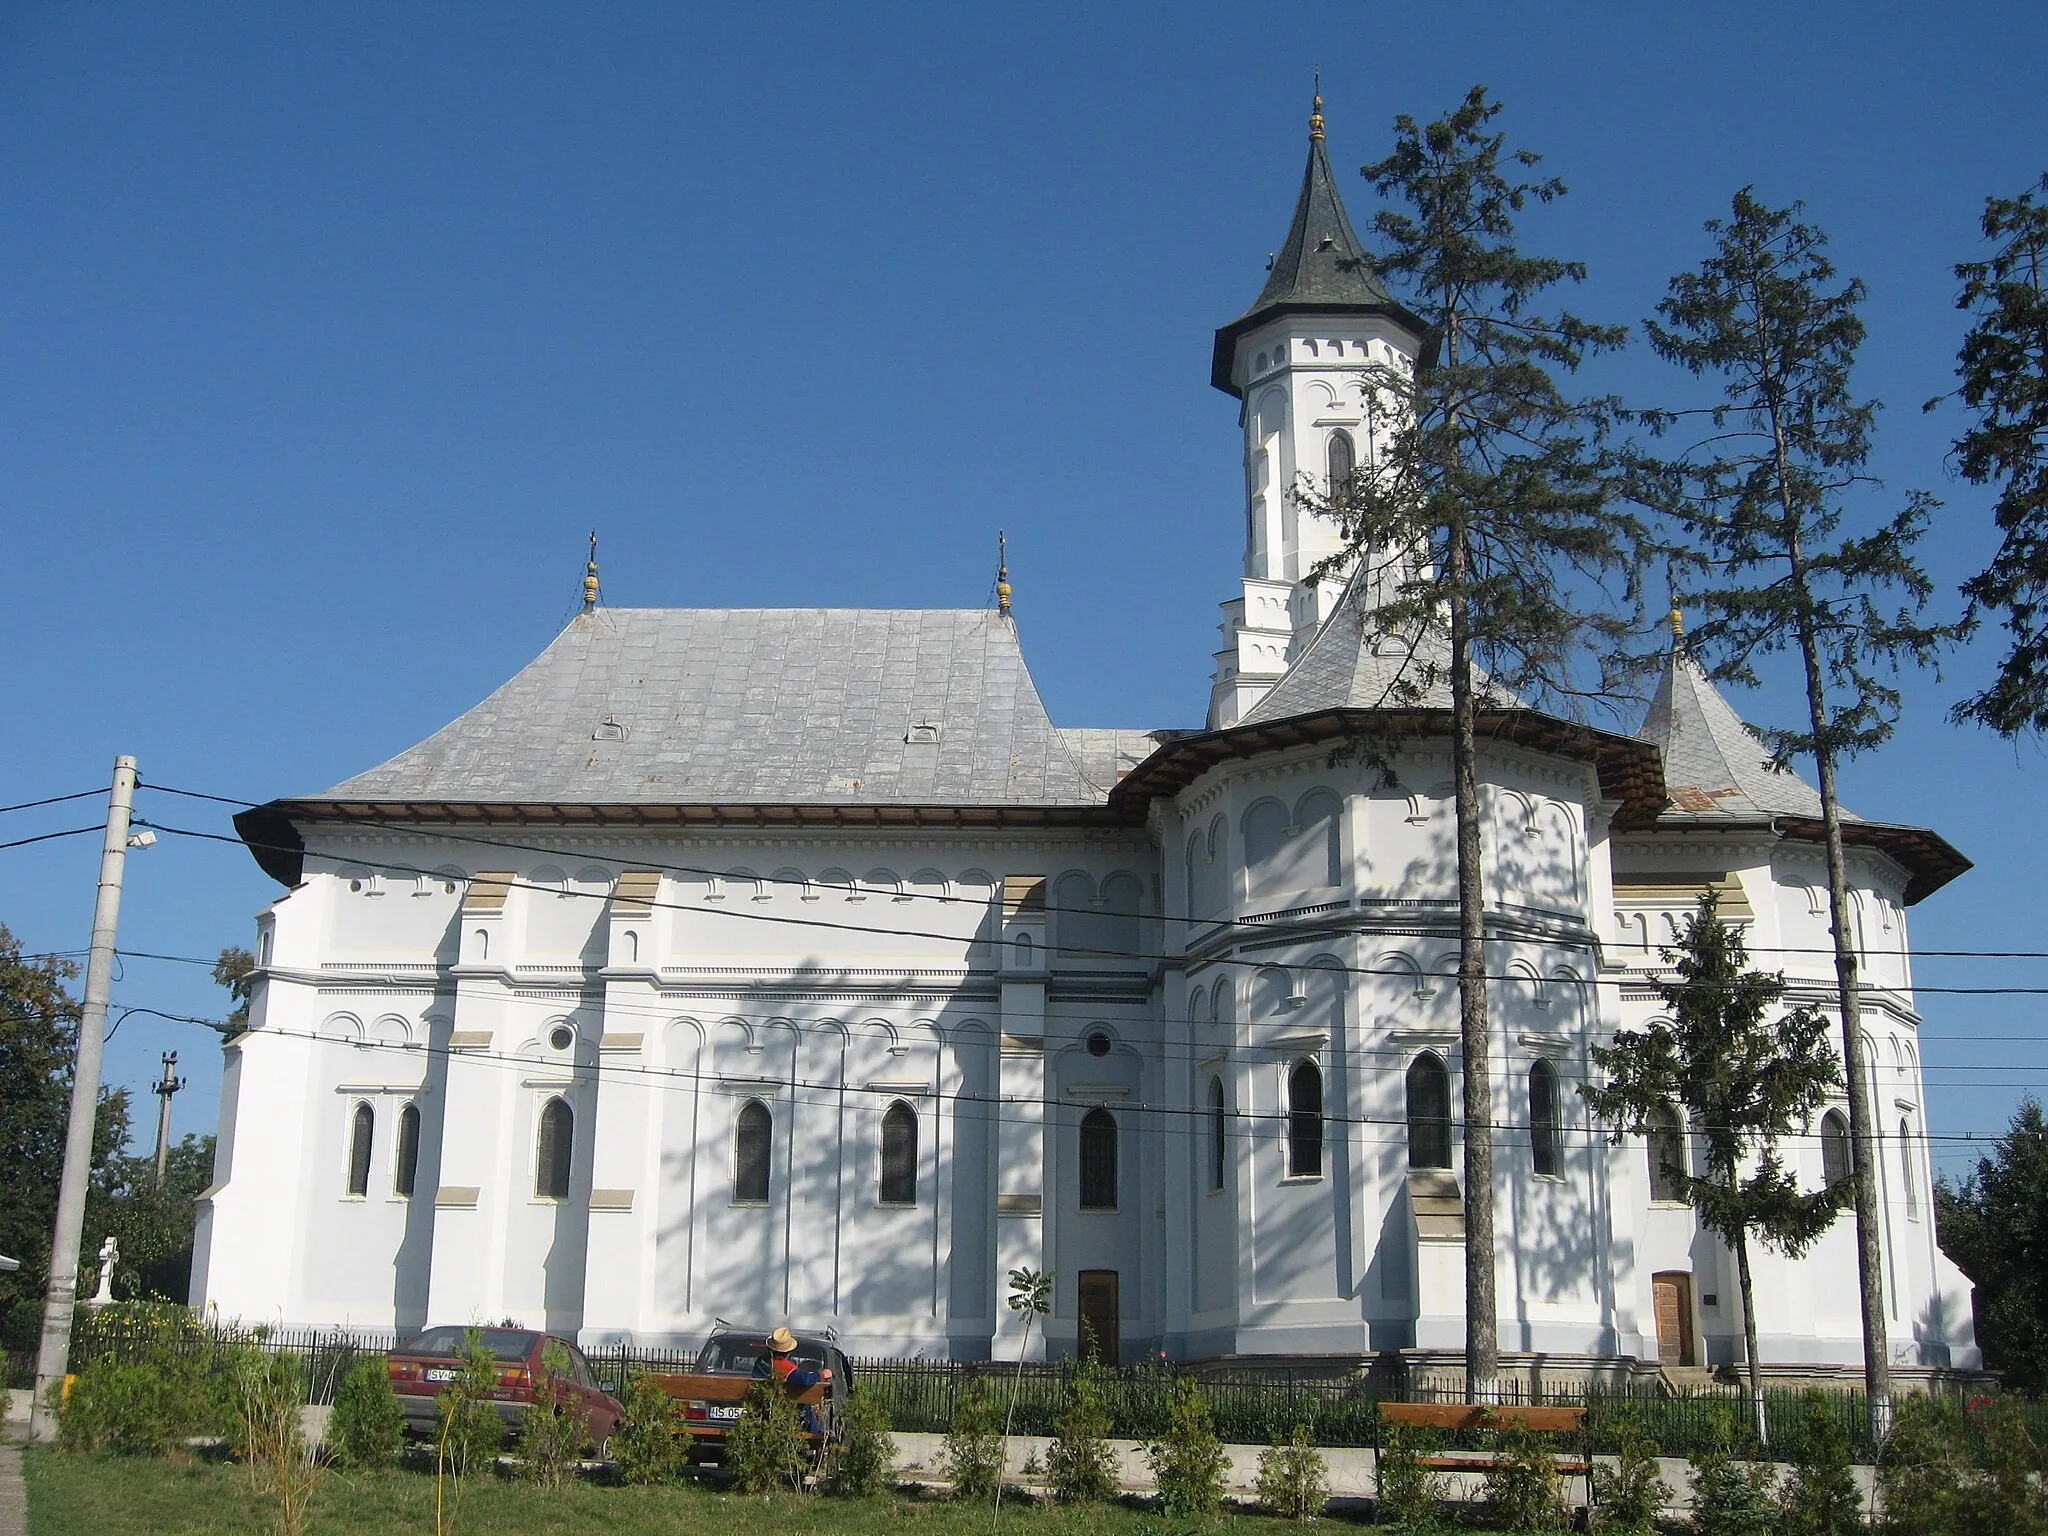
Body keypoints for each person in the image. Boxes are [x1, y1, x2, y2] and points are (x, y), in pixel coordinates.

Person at [753, 1326, 832, 1435]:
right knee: (802, 1396)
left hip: (762, 1403)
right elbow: (805, 1380)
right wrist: (822, 1375)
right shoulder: (784, 1366)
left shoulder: (761, 1361)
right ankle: (814, 1431)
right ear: (788, 1352)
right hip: (779, 1405)